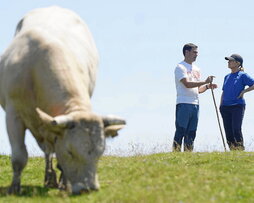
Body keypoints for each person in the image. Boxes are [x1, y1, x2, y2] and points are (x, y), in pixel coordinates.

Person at [173, 43, 217, 152]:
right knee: (181, 130)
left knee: (192, 131)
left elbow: (197, 89)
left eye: (197, 52)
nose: (196, 54)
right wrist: (205, 81)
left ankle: (188, 154)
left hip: (195, 104)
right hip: (183, 102)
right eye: (194, 52)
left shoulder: (197, 69)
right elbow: (187, 84)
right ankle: (175, 154)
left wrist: (207, 86)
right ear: (186, 52)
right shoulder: (180, 67)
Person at [220, 54, 254, 151]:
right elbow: (224, 91)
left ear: (238, 63)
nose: (228, 62)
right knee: (228, 131)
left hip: (237, 106)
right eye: (228, 60)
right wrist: (221, 105)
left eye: (231, 60)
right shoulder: (226, 76)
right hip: (225, 107)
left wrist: (244, 91)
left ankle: (240, 150)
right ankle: (232, 151)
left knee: (236, 129)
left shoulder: (243, 75)